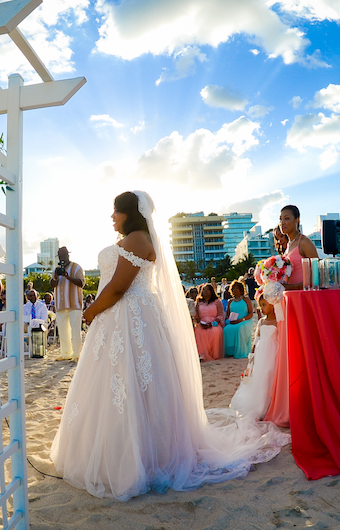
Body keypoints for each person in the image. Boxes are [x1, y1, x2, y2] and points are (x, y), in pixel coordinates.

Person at [51, 191, 289, 501]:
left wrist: (92, 311)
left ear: (130, 213)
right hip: (119, 320)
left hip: (130, 315)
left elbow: (120, 287)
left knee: (136, 382)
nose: (112, 217)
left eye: (116, 212)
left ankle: (141, 457)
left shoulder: (138, 240)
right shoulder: (135, 240)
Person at [230, 291, 279, 420]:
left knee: (270, 374)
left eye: (264, 305)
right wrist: (253, 353)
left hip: (273, 352)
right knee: (260, 375)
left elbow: (280, 339)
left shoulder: (278, 322)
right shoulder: (261, 322)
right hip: (261, 352)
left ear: (273, 305)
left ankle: (269, 404)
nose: (261, 308)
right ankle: (259, 404)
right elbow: (257, 339)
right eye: (260, 305)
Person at [50, 246, 84, 361]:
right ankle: (66, 354)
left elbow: (81, 283)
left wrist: (67, 276)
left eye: (63, 255)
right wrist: (55, 277)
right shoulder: (56, 269)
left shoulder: (76, 267)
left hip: (74, 304)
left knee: (75, 331)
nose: (61, 258)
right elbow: (52, 285)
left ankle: (77, 355)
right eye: (59, 256)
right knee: (63, 332)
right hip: (60, 305)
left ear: (68, 255)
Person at [279, 205, 318, 290]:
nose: (282, 222)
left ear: (297, 220)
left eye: (286, 218)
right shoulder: (289, 244)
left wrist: (291, 287)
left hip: (304, 296)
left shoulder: (304, 242)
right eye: (280, 219)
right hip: (291, 296)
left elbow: (317, 274)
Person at [193, 283, 224, 362]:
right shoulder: (199, 302)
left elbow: (220, 314)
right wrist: (200, 322)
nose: (205, 291)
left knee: (215, 331)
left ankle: (212, 354)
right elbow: (196, 315)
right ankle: (202, 354)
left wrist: (213, 323)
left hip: (214, 322)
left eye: (207, 290)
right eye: (203, 290)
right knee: (199, 331)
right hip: (202, 323)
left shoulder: (217, 301)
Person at [223, 280, 254, 359]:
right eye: (233, 289)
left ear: (241, 289)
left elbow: (251, 313)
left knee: (239, 328)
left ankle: (240, 352)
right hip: (233, 321)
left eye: (237, 288)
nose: (235, 290)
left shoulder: (246, 299)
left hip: (245, 321)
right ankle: (230, 351)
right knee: (226, 329)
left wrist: (242, 319)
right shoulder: (230, 301)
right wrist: (230, 320)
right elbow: (228, 314)